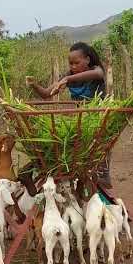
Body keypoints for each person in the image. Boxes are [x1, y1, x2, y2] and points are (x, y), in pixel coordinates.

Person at [26, 42, 112, 188]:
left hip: (97, 117)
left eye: (76, 63)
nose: (72, 67)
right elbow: (47, 94)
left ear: (87, 60)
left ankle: (103, 176)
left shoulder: (95, 71)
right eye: (70, 63)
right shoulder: (69, 75)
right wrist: (34, 85)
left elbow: (99, 74)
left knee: (100, 142)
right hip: (80, 118)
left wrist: (68, 80)